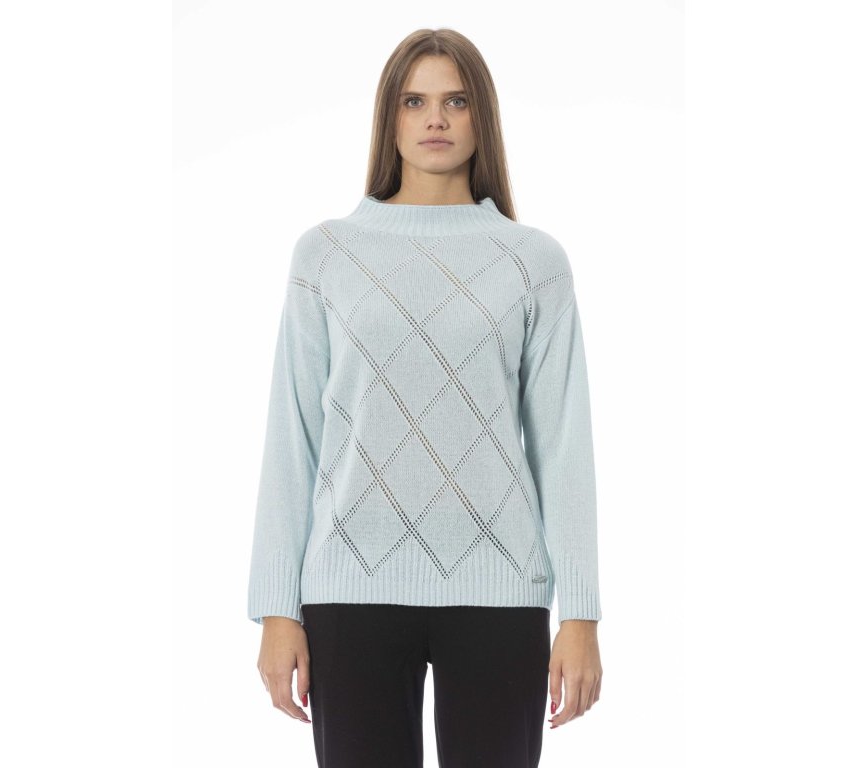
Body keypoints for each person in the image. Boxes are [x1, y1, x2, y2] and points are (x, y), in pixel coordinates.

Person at [248, 27, 603, 768]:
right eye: (414, 101)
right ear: (390, 119)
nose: (435, 118)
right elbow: (292, 436)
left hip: (501, 591)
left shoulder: (534, 262)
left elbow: (564, 446)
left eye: (456, 101)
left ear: (482, 118)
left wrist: (582, 614)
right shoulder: (326, 255)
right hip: (348, 590)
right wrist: (277, 609)